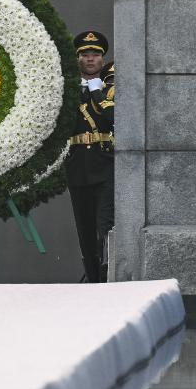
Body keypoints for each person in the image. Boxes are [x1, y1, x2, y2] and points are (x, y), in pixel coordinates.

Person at [64, 30, 115, 283]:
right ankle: (93, 280)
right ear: (78, 59)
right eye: (85, 54)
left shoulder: (110, 88)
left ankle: (107, 277)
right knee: (84, 231)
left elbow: (115, 119)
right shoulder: (67, 90)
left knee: (105, 227)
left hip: (105, 165)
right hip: (77, 168)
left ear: (102, 59)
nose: (90, 58)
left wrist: (98, 93)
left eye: (95, 54)